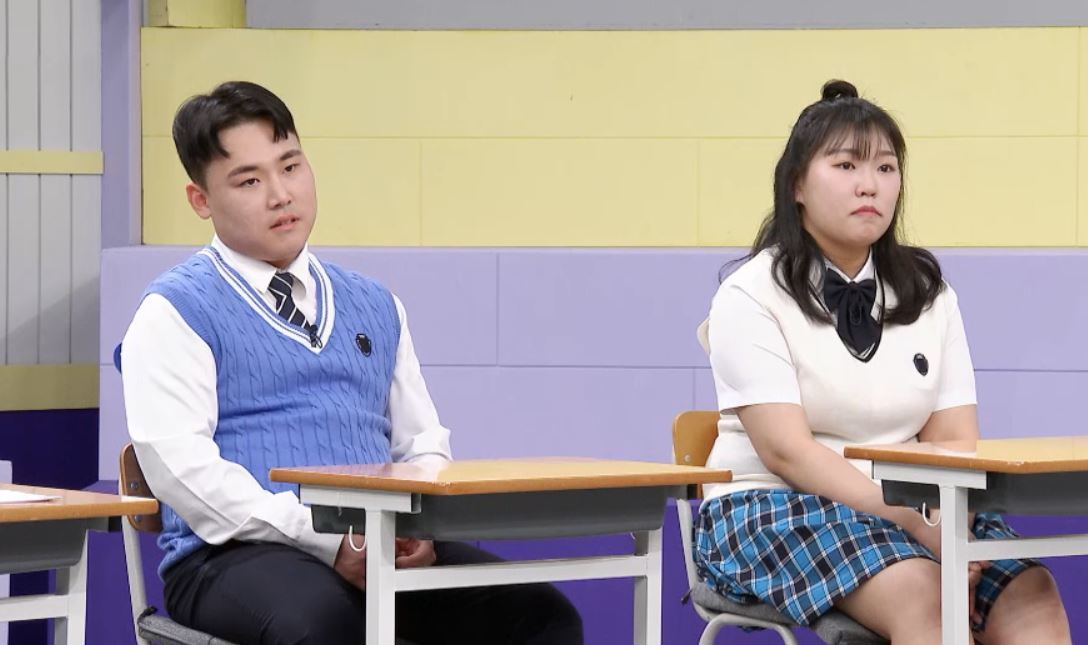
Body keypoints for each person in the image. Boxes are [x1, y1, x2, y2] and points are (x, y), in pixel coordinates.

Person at [121, 80, 583, 645]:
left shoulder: (376, 304)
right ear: (201, 200)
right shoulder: (174, 311)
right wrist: (328, 540)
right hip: (230, 556)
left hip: (380, 543)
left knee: (541, 617)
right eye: (249, 180)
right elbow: (184, 471)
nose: (280, 195)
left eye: (291, 166)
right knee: (328, 627)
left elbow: (422, 443)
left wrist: (418, 528)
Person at [692, 79, 1070, 643]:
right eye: (846, 166)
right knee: (928, 596)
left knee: (1031, 592)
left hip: (920, 506)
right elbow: (787, 451)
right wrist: (920, 528)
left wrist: (948, 527)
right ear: (797, 184)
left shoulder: (929, 292)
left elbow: (956, 441)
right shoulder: (750, 294)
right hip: (773, 503)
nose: (869, 184)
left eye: (886, 168)